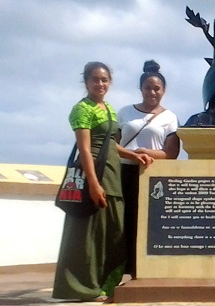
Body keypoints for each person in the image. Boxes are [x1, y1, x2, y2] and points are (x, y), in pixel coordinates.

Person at [53, 62, 152, 302]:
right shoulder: (82, 109)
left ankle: (107, 285)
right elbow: (85, 150)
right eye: (95, 79)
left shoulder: (107, 108)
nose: (100, 84)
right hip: (94, 176)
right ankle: (82, 288)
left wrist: (133, 155)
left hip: (112, 175)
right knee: (88, 236)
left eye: (104, 80)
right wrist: (94, 184)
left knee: (114, 233)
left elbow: (111, 144)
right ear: (86, 82)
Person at [117, 60, 180, 278]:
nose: (152, 92)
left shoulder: (170, 117)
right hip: (124, 172)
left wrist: (144, 152)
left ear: (163, 90)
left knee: (147, 224)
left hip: (152, 175)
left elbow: (171, 153)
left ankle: (141, 271)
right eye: (147, 88)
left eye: (157, 88)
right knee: (122, 222)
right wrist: (132, 155)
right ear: (140, 89)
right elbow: (111, 144)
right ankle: (118, 270)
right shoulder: (124, 113)